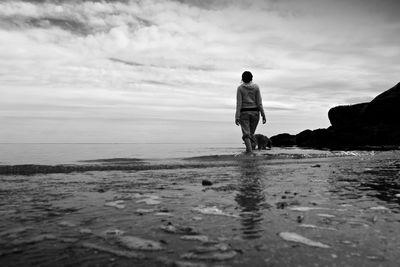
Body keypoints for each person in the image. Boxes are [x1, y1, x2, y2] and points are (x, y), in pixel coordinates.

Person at [235, 71, 266, 153]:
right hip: (255, 113)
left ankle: (249, 153)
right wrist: (263, 114)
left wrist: (237, 116)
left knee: (246, 135)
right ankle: (250, 152)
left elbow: (239, 103)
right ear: (252, 78)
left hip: (244, 113)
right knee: (250, 135)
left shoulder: (240, 88)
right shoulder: (256, 87)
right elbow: (259, 103)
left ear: (242, 79)